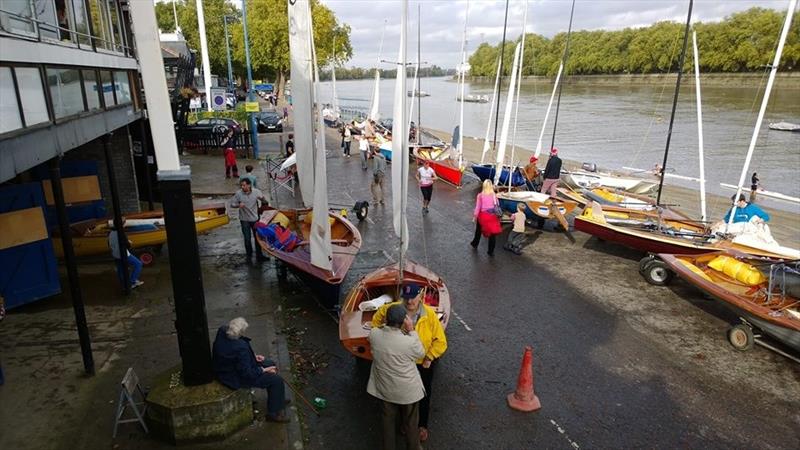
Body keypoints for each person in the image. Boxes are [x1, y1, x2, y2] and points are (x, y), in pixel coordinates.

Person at [372, 284, 447, 444]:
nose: (410, 301)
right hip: (401, 363)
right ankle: (407, 425)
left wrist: (429, 357)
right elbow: (376, 320)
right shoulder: (392, 309)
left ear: (420, 295)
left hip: (422, 363)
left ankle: (421, 425)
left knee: (424, 394)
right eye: (406, 298)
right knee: (401, 396)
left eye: (413, 297)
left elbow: (440, 342)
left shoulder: (430, 315)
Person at [367, 304, 426, 450]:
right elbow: (421, 353)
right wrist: (411, 330)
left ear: (386, 318)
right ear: (404, 321)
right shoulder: (409, 341)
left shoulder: (374, 334)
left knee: (387, 423)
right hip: (408, 392)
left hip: (385, 388)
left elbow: (375, 332)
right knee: (411, 424)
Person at [212, 318, 289, 423]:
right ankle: (273, 413)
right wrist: (264, 370)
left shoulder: (222, 332)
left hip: (227, 368)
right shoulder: (241, 348)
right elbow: (247, 373)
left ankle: (277, 400)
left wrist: (253, 356)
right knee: (276, 380)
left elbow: (234, 357)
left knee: (270, 363)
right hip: (235, 377)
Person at [230, 178, 269, 262]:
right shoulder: (238, 193)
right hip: (244, 219)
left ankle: (259, 255)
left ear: (249, 185)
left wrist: (262, 200)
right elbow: (232, 204)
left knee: (257, 238)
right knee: (247, 238)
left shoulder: (256, 192)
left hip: (255, 219)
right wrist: (238, 205)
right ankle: (249, 255)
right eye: (241, 185)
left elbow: (265, 202)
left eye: (244, 185)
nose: (242, 187)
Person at [108, 221, 144, 290]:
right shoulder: (121, 233)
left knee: (120, 269)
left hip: (115, 254)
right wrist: (129, 242)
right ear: (123, 224)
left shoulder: (110, 232)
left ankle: (123, 285)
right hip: (123, 254)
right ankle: (132, 282)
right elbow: (127, 245)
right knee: (138, 264)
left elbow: (109, 244)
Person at [470, 180, 502, 256]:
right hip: (493, 216)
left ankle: (475, 243)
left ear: (483, 186)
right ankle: (491, 251)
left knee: (478, 230)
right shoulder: (494, 195)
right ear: (491, 186)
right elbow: (497, 204)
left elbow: (478, 207)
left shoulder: (480, 195)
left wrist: (475, 216)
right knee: (492, 234)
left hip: (483, 216)